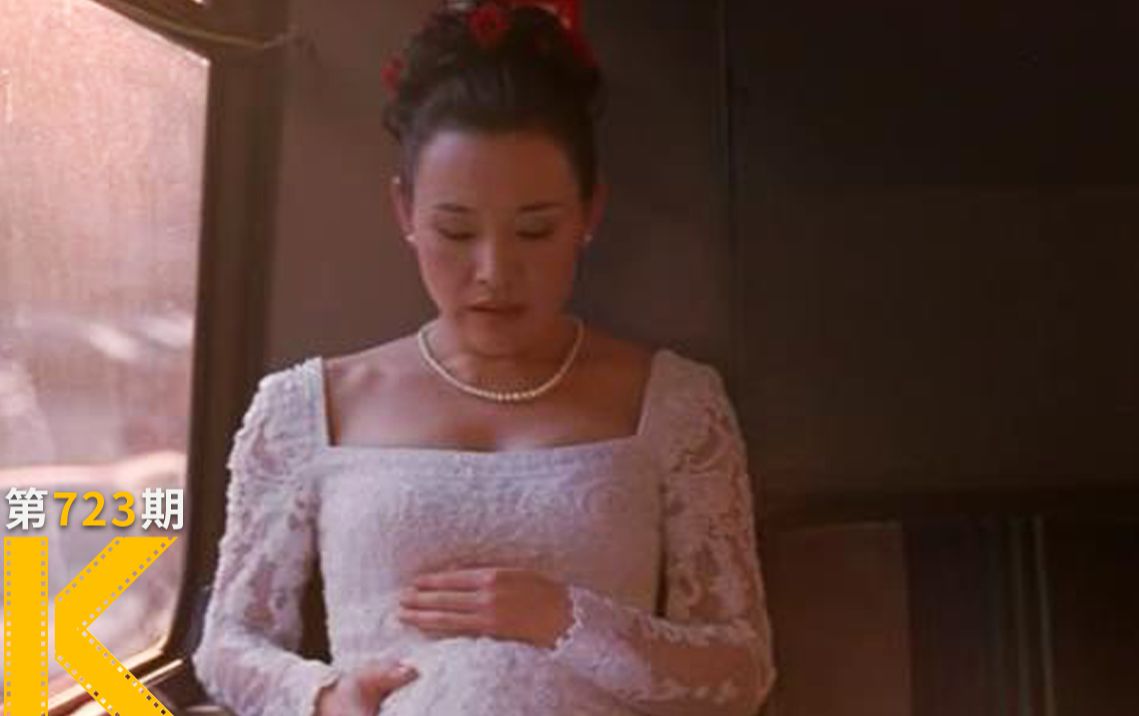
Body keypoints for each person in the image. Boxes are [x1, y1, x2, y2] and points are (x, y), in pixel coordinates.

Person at [190, 2, 777, 714]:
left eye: (535, 231)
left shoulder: (676, 402)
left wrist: (564, 619)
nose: (495, 272)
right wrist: (325, 696)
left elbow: (740, 668)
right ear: (406, 213)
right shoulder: (306, 407)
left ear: (589, 213)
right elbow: (228, 643)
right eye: (456, 231)